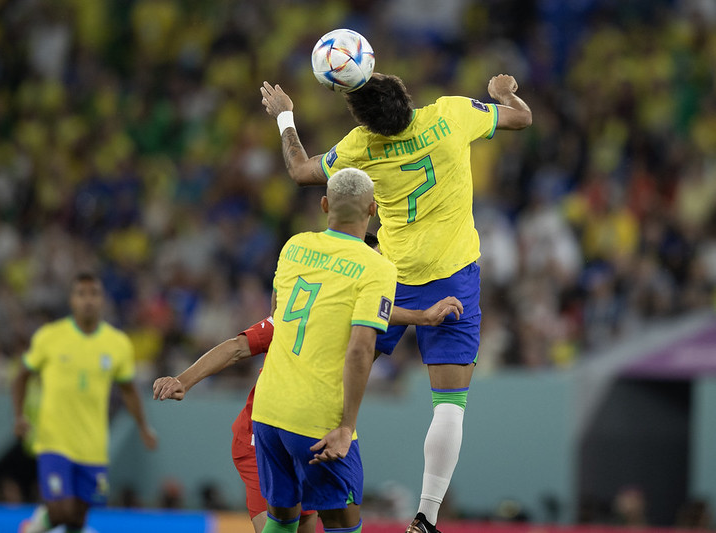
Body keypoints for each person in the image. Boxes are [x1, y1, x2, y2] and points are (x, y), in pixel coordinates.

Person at [260, 72, 532, 533]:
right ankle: (426, 516)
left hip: (389, 275)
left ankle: (294, 473)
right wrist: (505, 94)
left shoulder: (360, 145)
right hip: (453, 278)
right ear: (406, 96)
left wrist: (285, 115)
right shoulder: (451, 114)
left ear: (365, 122)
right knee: (449, 404)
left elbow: (300, 171)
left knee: (331, 364)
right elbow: (522, 119)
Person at [153, 232, 463, 533]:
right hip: (260, 436)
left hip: (307, 433)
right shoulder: (298, 316)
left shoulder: (358, 318)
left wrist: (422, 317)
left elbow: (374, 309)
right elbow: (237, 347)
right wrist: (183, 380)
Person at [259, 167, 397, 533]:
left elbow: (276, 314)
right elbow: (361, 349)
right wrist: (347, 426)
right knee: (341, 522)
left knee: (282, 519)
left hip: (269, 408)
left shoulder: (294, 246)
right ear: (373, 210)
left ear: (324, 205)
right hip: (318, 418)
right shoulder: (377, 267)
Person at [13, 272, 158, 533]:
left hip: (93, 445)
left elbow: (129, 390)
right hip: (53, 440)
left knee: (77, 518)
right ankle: (30, 528)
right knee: (61, 510)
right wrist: (19, 416)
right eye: (81, 294)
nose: (88, 300)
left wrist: (143, 427)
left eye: (94, 294)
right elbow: (21, 376)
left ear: (102, 300)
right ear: (72, 300)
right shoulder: (50, 336)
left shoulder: (117, 343)